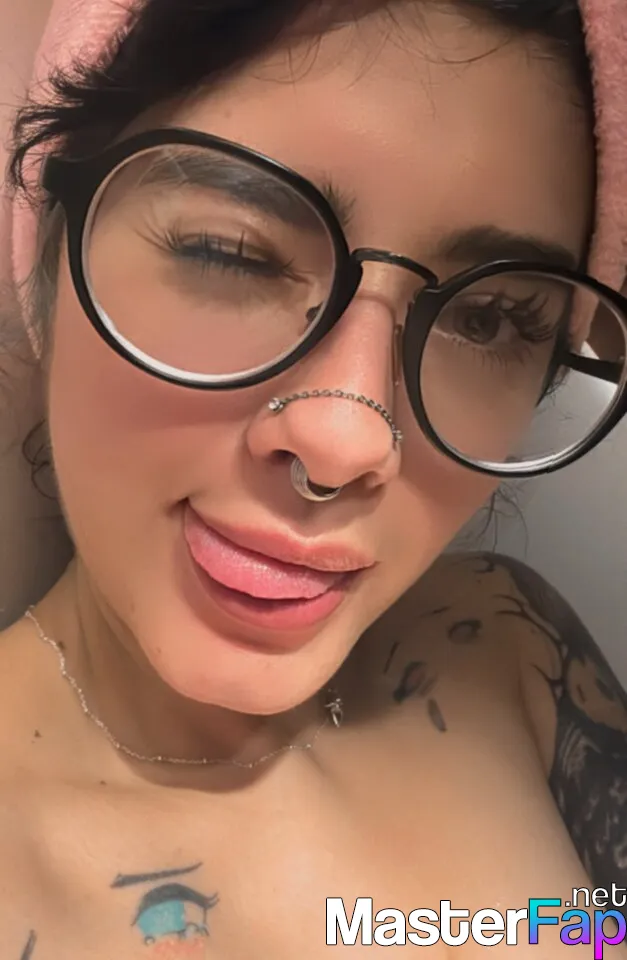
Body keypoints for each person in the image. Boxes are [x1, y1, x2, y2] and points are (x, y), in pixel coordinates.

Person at [0, 0, 627, 955]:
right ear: (47, 249)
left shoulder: (511, 645)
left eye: (489, 318)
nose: (343, 442)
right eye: (231, 253)